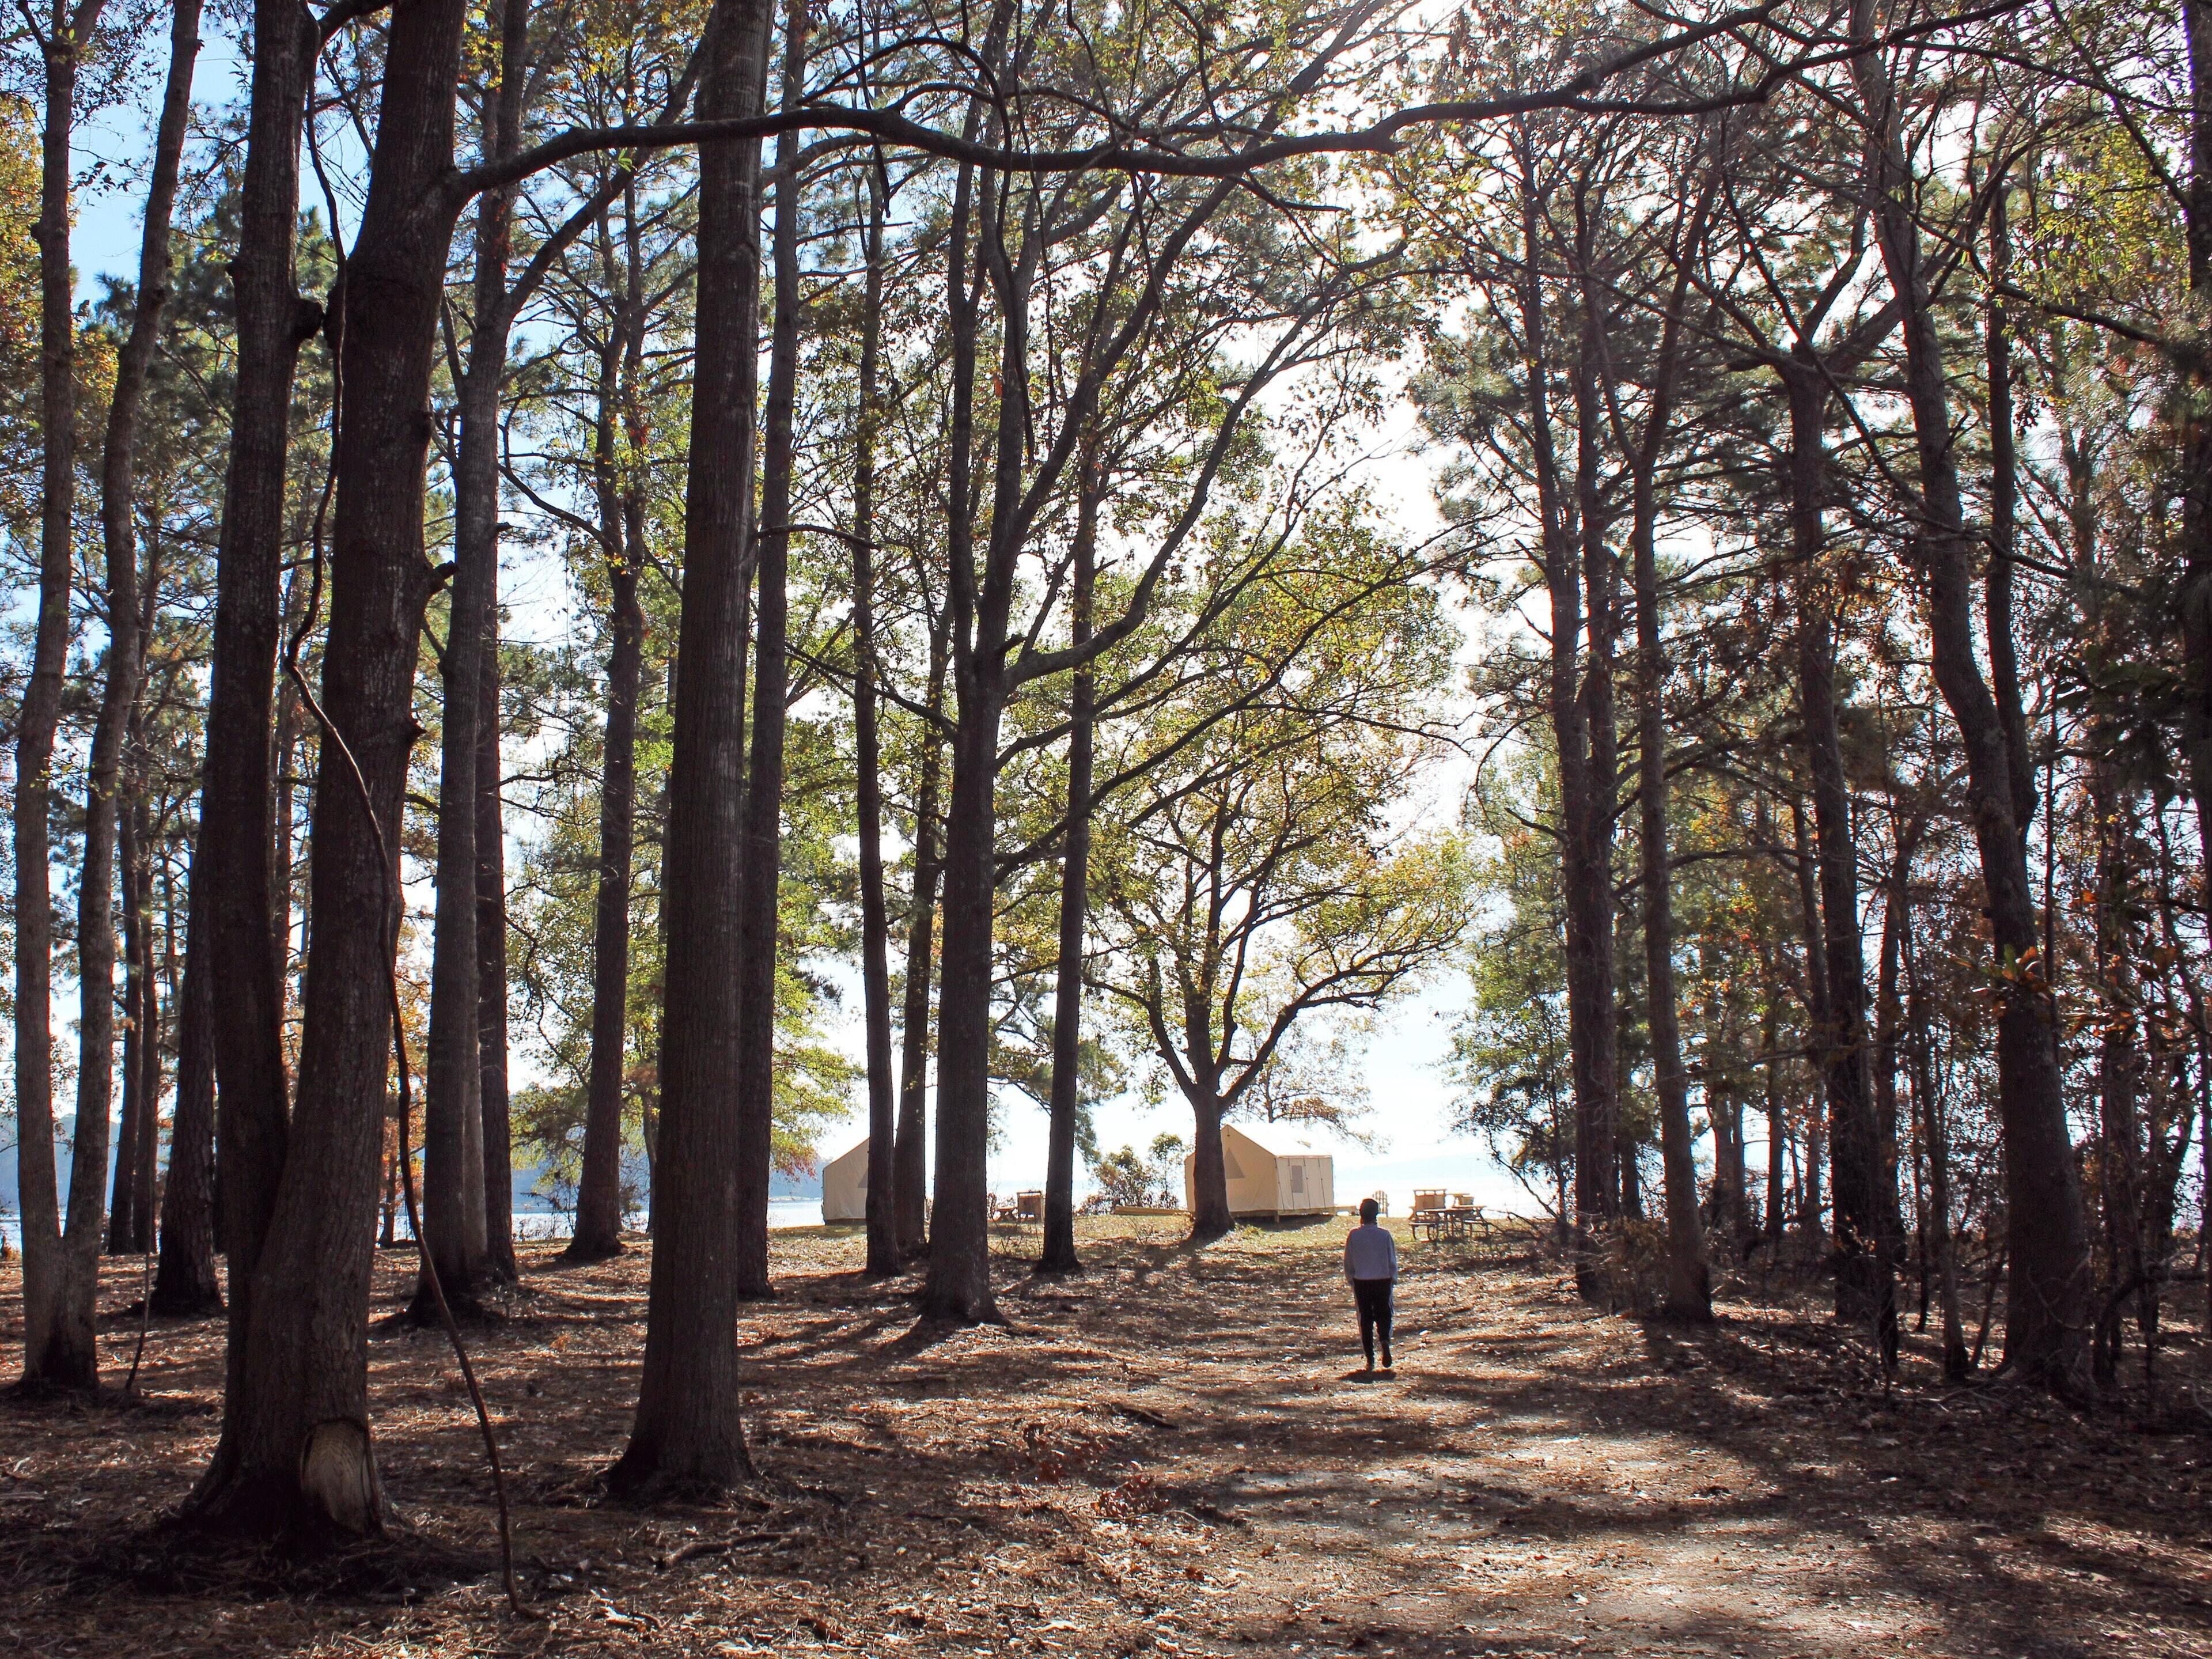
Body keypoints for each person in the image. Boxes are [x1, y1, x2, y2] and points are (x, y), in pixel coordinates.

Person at [1343, 1196, 1397, 1373]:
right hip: (1382, 1279)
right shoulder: (1384, 1235)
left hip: (1362, 1281)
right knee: (1384, 1313)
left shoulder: (1354, 1235)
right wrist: (1393, 1278)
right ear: (1377, 1214)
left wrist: (1351, 1279)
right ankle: (1385, 1341)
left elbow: (1348, 1261)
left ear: (1361, 1214)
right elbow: (1392, 1260)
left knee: (1365, 1319)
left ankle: (1370, 1358)